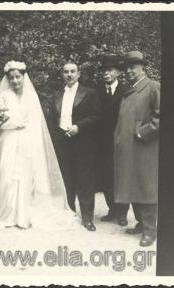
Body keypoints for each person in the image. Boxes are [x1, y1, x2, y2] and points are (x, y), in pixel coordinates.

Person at [0, 61, 76, 230]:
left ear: (23, 77)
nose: (15, 81)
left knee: (25, 177)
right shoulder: (4, 96)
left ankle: (22, 216)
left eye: (18, 77)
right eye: (11, 78)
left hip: (27, 141)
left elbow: (35, 124)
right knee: (7, 176)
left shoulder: (31, 96)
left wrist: (33, 144)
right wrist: (11, 124)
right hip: (9, 141)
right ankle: (7, 216)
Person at [114, 51, 160, 247]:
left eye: (133, 66)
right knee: (132, 185)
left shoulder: (153, 87)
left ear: (143, 67)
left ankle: (150, 231)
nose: (129, 71)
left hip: (144, 148)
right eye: (127, 67)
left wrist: (142, 132)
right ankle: (141, 224)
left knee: (146, 186)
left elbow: (162, 117)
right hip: (128, 148)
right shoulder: (130, 89)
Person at [48, 61, 101, 231]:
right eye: (66, 72)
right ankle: (69, 213)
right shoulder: (56, 95)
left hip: (83, 142)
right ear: (62, 75)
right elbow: (51, 120)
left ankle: (87, 219)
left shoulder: (90, 93)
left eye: (72, 71)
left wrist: (79, 126)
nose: (69, 74)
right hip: (63, 143)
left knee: (85, 180)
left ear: (79, 74)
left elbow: (97, 116)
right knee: (66, 179)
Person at [96, 55, 130, 227]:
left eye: (109, 70)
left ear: (117, 72)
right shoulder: (97, 90)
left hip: (121, 139)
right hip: (102, 141)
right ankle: (112, 209)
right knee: (106, 175)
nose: (106, 73)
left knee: (121, 176)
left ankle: (122, 212)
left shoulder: (126, 90)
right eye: (104, 71)